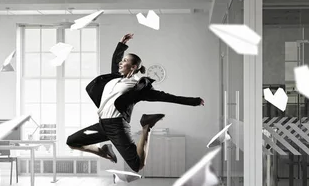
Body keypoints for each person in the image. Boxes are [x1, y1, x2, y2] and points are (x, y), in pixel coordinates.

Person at [66, 33, 205, 173]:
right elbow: (116, 60)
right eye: (123, 60)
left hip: (117, 126)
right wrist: (122, 44)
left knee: (137, 165)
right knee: (72, 141)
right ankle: (104, 151)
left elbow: (166, 97)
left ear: (133, 67)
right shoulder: (115, 78)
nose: (121, 62)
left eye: (125, 61)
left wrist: (194, 101)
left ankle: (147, 126)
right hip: (102, 124)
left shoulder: (137, 86)